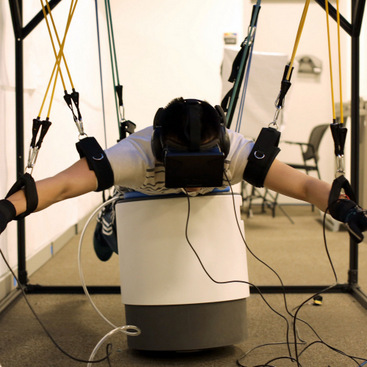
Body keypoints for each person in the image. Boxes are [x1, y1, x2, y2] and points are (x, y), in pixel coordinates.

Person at [0, 97, 366, 244]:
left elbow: (304, 187)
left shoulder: (238, 151)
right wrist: (6, 209)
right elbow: (62, 186)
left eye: (203, 162)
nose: (192, 174)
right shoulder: (134, 155)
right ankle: (110, 218)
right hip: (143, 192)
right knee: (127, 236)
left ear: (220, 146)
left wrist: (346, 209)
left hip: (213, 196)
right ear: (161, 147)